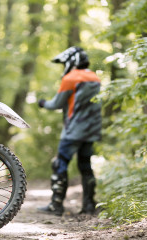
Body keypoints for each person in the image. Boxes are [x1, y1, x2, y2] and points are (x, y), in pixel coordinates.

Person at [37, 46, 102, 216]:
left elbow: (56, 104)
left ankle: (56, 205)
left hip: (73, 130)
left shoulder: (70, 78)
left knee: (60, 164)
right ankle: (89, 206)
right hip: (91, 131)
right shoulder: (95, 78)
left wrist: (43, 103)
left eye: (65, 62)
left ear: (72, 61)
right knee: (85, 166)